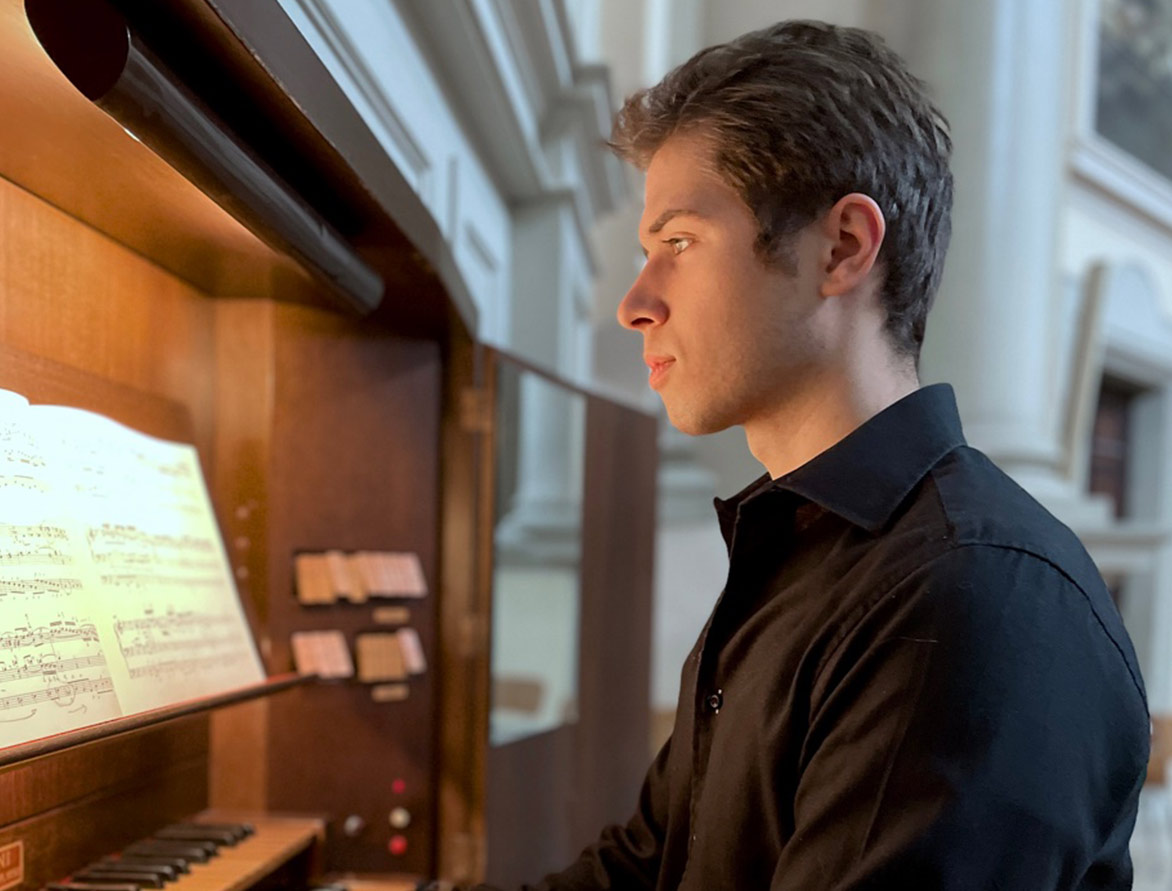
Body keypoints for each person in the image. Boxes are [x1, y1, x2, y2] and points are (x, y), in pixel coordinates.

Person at [442, 19, 1150, 890]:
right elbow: (643, 865)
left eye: (679, 243)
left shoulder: (974, 596)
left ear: (843, 247)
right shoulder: (793, 550)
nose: (635, 302)